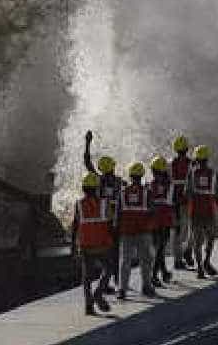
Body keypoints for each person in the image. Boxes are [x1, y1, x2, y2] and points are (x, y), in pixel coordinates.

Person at [83, 132, 122, 293]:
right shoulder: (119, 182)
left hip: (101, 221)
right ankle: (116, 281)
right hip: (115, 221)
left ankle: (105, 282)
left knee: (103, 253)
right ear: (112, 167)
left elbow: (87, 162)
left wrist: (88, 143)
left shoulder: (98, 180)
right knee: (114, 252)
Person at [71, 173, 114, 315]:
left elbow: (75, 225)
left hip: (85, 244)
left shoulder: (78, 204)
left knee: (86, 276)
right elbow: (110, 224)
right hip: (101, 243)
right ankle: (99, 292)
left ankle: (88, 306)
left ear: (83, 188)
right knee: (108, 269)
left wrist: (73, 245)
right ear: (96, 188)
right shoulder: (104, 203)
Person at [117, 161, 157, 298]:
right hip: (143, 231)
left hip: (126, 231)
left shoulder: (122, 192)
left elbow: (118, 212)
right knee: (145, 260)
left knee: (125, 261)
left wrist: (117, 229)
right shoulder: (147, 192)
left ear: (130, 176)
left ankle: (122, 289)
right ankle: (146, 286)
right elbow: (152, 210)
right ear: (141, 175)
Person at [186, 145, 218, 279]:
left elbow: (186, 193)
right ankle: (206, 262)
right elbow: (217, 194)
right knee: (210, 238)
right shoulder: (214, 173)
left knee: (197, 241)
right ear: (207, 159)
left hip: (195, 211)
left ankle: (201, 268)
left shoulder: (192, 173)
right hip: (209, 211)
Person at [147, 155, 175, 286]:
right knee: (161, 247)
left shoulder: (149, 185)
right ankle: (154, 275)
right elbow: (170, 203)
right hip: (165, 217)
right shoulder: (170, 184)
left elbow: (148, 203)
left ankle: (163, 272)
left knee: (158, 247)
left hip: (153, 218)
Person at [170, 135, 194, 271]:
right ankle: (187, 251)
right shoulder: (193, 164)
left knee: (178, 232)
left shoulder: (170, 164)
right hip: (189, 202)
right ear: (186, 148)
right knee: (192, 229)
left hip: (176, 203)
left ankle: (178, 259)